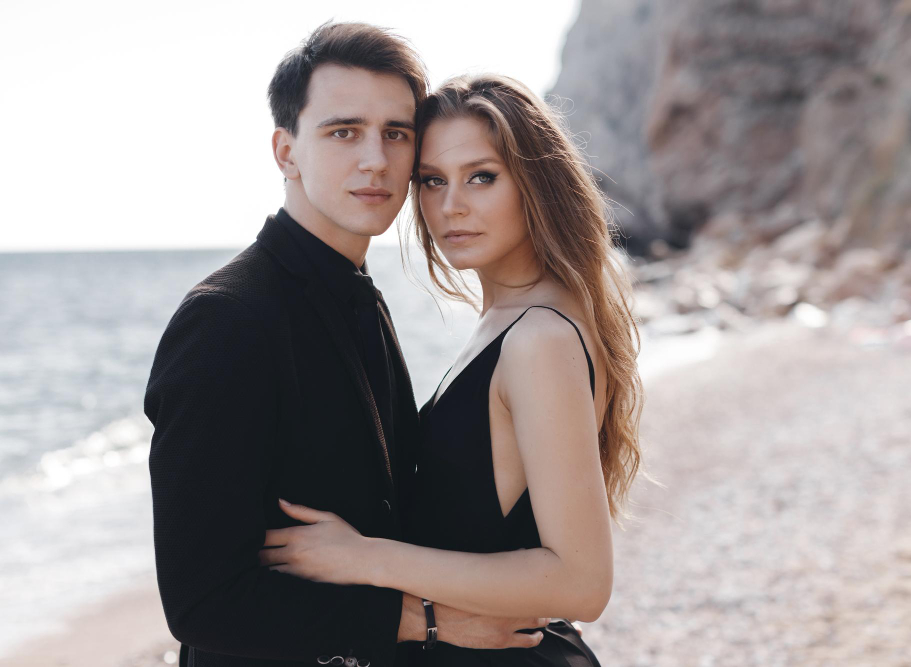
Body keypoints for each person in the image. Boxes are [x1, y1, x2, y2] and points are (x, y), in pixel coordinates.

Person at [145, 24, 548, 667]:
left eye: (396, 133)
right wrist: (428, 621)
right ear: (286, 151)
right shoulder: (226, 320)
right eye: (343, 132)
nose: (376, 160)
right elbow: (201, 602)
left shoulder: (358, 295)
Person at [257, 75, 645, 666]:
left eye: (481, 177)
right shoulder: (512, 317)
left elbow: (582, 584)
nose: (450, 205)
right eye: (432, 181)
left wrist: (365, 557)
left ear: (536, 183)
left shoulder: (538, 337)